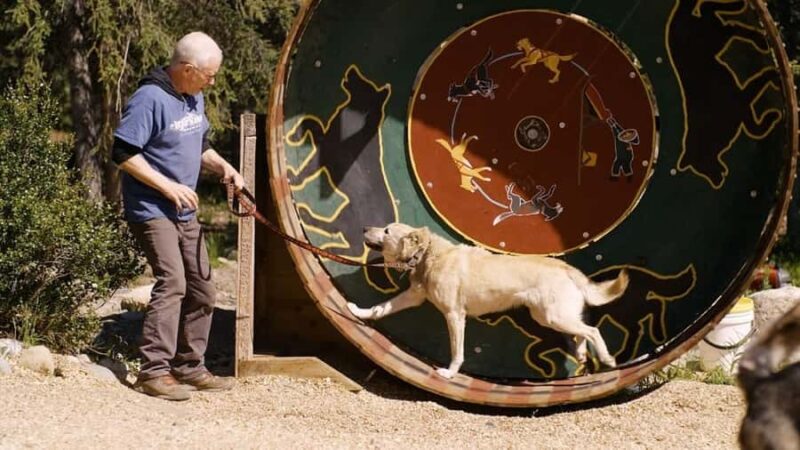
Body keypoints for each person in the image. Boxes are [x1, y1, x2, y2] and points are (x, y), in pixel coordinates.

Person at [111, 31, 244, 401]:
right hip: (152, 209)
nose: (212, 82)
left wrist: (225, 168)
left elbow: (199, 145)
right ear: (187, 69)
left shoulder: (193, 96)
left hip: (184, 211)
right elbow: (123, 152)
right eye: (209, 75)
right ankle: (153, 372)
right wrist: (167, 187)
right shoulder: (149, 99)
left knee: (203, 288)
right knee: (173, 282)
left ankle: (189, 366)